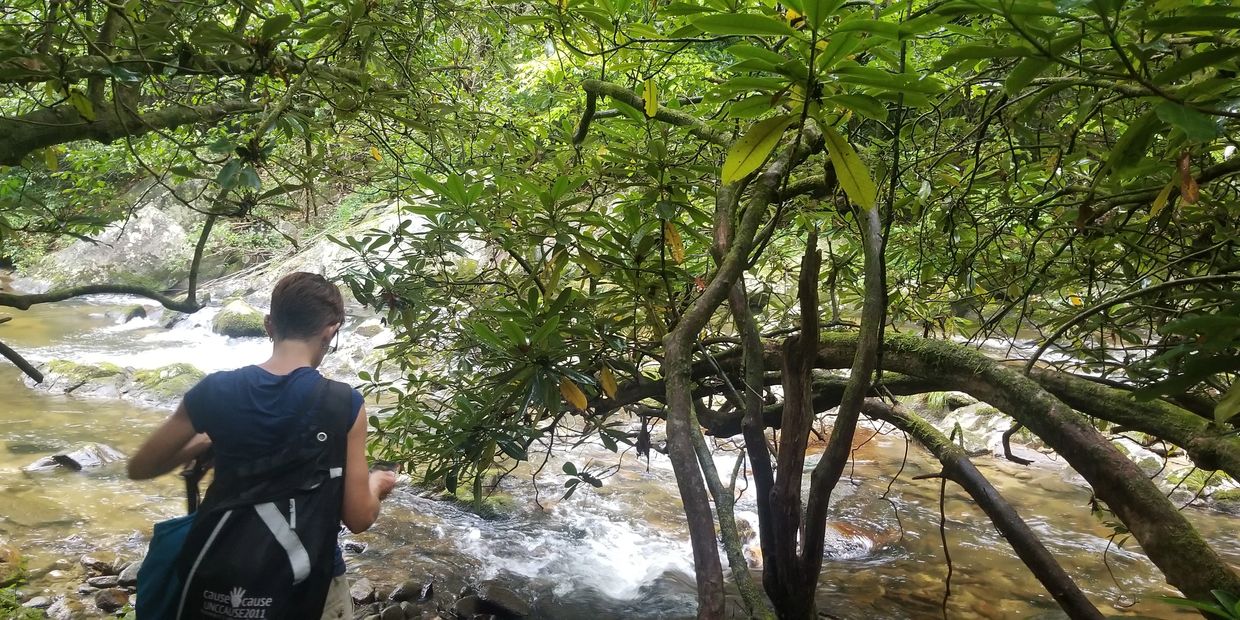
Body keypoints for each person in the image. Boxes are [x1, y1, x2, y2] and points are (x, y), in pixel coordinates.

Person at [128, 272, 397, 619]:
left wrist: (205, 441)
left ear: (269, 325)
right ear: (331, 330)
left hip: (220, 565)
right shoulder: (343, 403)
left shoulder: (215, 391)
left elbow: (141, 467)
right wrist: (378, 482)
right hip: (309, 576)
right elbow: (359, 517)